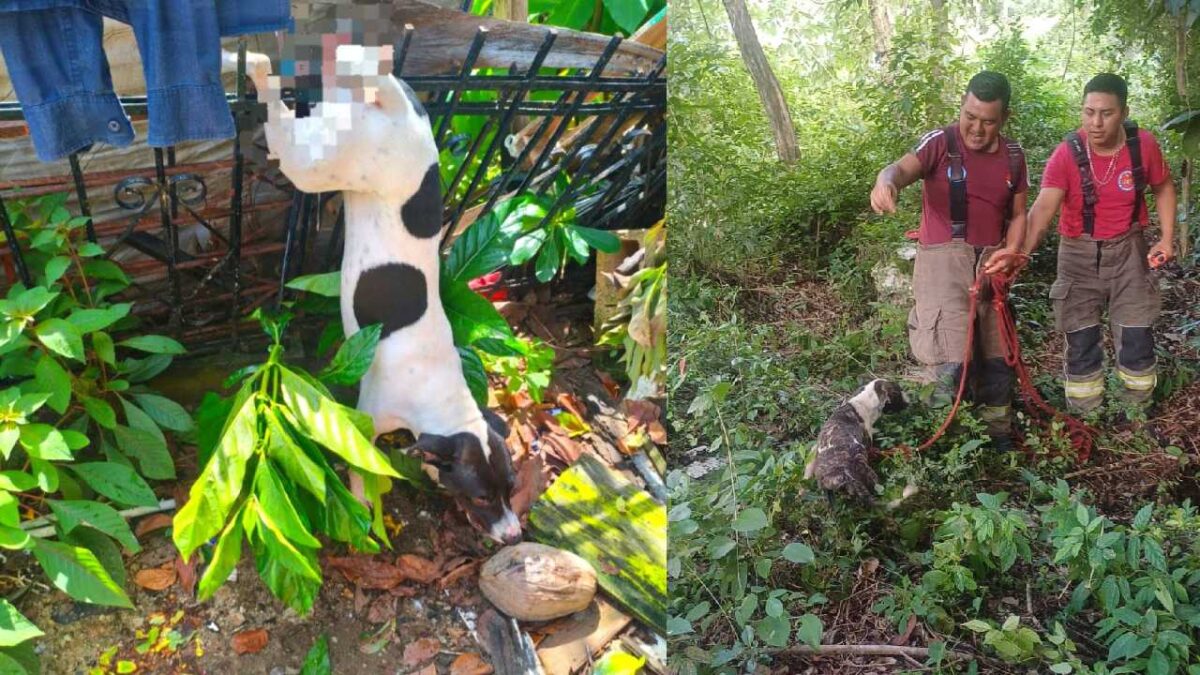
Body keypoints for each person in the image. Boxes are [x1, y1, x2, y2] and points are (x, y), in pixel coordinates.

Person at [870, 71, 1029, 450]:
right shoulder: (940, 142)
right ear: (961, 105)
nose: (976, 129)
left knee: (996, 355)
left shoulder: (1014, 156)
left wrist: (1011, 249)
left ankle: (997, 435)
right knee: (949, 359)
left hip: (991, 267)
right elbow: (899, 169)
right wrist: (885, 182)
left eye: (988, 121)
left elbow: (1019, 214)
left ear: (1004, 118)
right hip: (943, 267)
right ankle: (945, 442)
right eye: (970, 116)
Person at [1022, 73, 1175, 414]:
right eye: (1089, 112)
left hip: (1129, 249)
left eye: (1106, 113)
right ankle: (1085, 415)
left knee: (1136, 333)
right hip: (1077, 252)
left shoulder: (1142, 145)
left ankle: (1136, 412)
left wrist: (1167, 238)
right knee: (1080, 338)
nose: (1096, 122)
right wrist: (1018, 255)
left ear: (1124, 112)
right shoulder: (1067, 154)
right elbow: (1042, 210)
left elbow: (1163, 186)